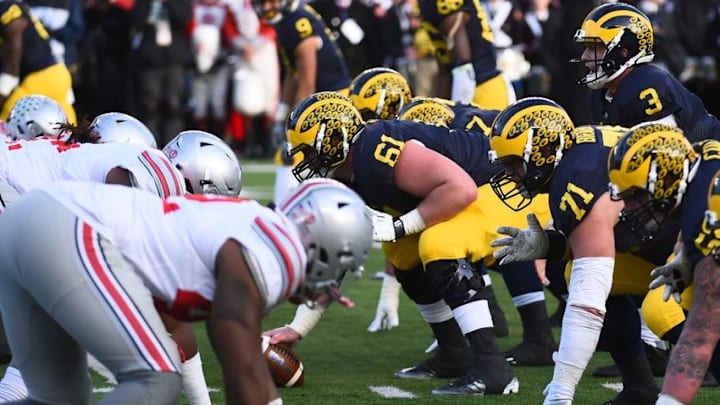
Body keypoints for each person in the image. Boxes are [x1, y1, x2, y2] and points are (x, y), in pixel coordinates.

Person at [0, 178, 373, 403]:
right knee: (156, 377)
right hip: (67, 227)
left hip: (28, 221)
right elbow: (240, 364)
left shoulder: (254, 226)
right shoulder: (279, 252)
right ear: (323, 245)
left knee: (57, 399)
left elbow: (214, 335)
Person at [285, 91, 553, 396]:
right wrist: (298, 328)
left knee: (438, 243)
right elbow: (341, 257)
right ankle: (454, 353)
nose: (305, 161)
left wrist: (401, 225)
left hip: (509, 186)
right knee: (401, 252)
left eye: (308, 151)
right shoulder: (348, 175)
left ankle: (493, 367)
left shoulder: (373, 149)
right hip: (479, 189)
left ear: (332, 138)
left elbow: (460, 189)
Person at [487, 97, 684, 404]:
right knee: (585, 274)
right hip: (671, 238)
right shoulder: (579, 151)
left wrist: (561, 390)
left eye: (514, 162)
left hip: (699, 239)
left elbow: (587, 305)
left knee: (660, 309)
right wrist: (549, 244)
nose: (510, 174)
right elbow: (599, 231)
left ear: (544, 149)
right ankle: (639, 389)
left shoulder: (578, 179)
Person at [397, 96, 558, 367]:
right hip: (509, 188)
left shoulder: (465, 137)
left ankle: (538, 335)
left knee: (493, 236)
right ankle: (494, 322)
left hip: (534, 191)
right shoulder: (444, 120)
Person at [604, 123, 720, 405]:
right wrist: (688, 256)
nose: (629, 207)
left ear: (667, 176)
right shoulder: (699, 174)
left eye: (636, 194)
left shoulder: (709, 208)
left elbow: (701, 332)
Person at [572, 2, 720, 143]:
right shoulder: (598, 95)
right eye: (586, 47)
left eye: (594, 47)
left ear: (623, 53)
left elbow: (666, 156)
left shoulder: (648, 86)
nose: (585, 56)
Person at [251, 0, 352, 205]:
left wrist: (293, 126)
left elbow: (307, 79)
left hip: (332, 100)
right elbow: (293, 73)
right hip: (323, 98)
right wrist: (282, 113)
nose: (268, 7)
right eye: (263, 3)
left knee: (292, 153)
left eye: (273, 2)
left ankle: (284, 209)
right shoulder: (287, 20)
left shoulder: (298, 21)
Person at [417, 0, 515, 110]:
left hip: (484, 89)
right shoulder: (426, 4)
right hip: (467, 86)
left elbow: (463, 66)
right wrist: (438, 113)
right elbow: (445, 72)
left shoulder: (445, 4)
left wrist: (456, 115)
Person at [0, 0, 76, 123]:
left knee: (6, 127)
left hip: (40, 76)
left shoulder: (7, 9)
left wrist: (2, 93)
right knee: (69, 133)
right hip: (58, 73)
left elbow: (11, 67)